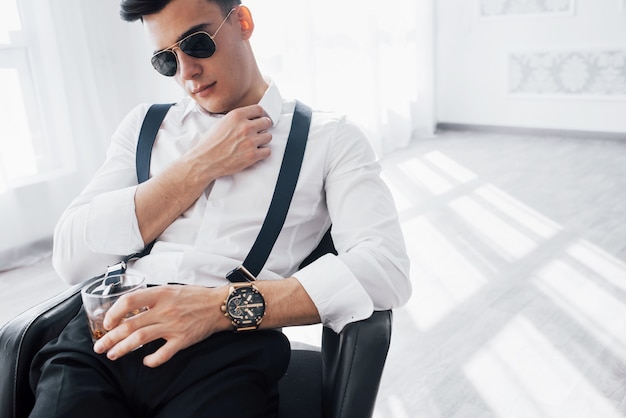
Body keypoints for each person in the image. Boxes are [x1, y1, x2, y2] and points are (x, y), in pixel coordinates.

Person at [29, 0, 411, 416]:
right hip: (105, 338)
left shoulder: (331, 137)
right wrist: (199, 165)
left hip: (226, 352)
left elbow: (385, 268)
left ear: (243, 22)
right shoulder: (145, 127)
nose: (186, 71)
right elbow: (71, 257)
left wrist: (217, 309)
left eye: (196, 42)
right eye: (165, 60)